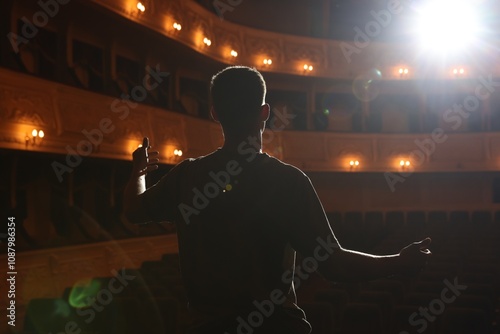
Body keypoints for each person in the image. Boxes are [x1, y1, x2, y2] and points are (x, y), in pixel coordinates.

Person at [124, 66, 431, 334]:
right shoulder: (287, 181)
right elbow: (333, 265)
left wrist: (138, 172)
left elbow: (133, 211)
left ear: (214, 112)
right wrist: (400, 262)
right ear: (265, 112)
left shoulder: (187, 176)